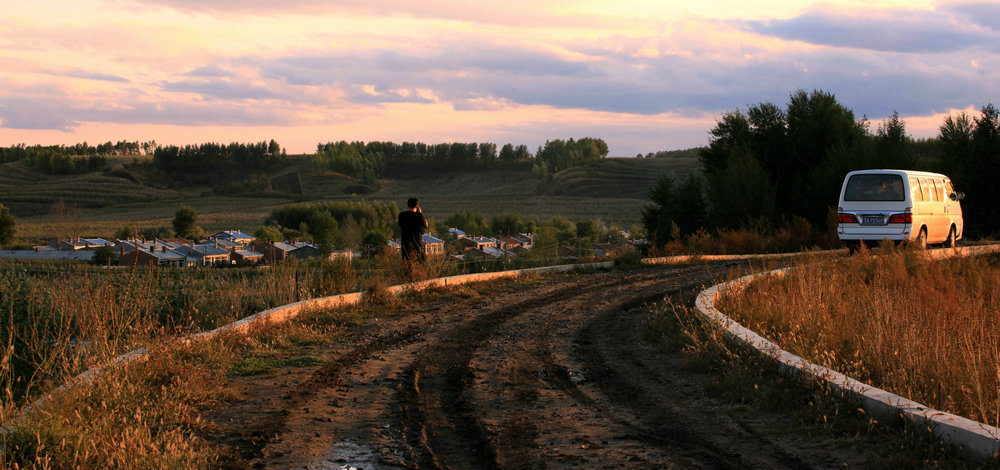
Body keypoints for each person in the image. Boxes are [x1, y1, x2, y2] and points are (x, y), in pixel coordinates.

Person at [398, 197, 428, 265]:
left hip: (405, 246)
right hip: (417, 245)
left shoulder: (401, 215)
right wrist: (420, 213)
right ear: (417, 206)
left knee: (407, 266)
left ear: (407, 205)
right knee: (422, 264)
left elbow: (400, 224)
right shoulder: (419, 215)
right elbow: (426, 225)